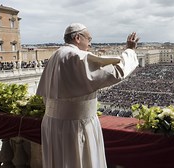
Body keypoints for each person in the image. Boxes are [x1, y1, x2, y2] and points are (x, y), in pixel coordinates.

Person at [36, 23, 139, 168]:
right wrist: (130, 50)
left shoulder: (55, 55)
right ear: (78, 37)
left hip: (52, 123)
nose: (90, 44)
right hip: (76, 125)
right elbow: (116, 72)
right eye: (89, 39)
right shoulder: (75, 56)